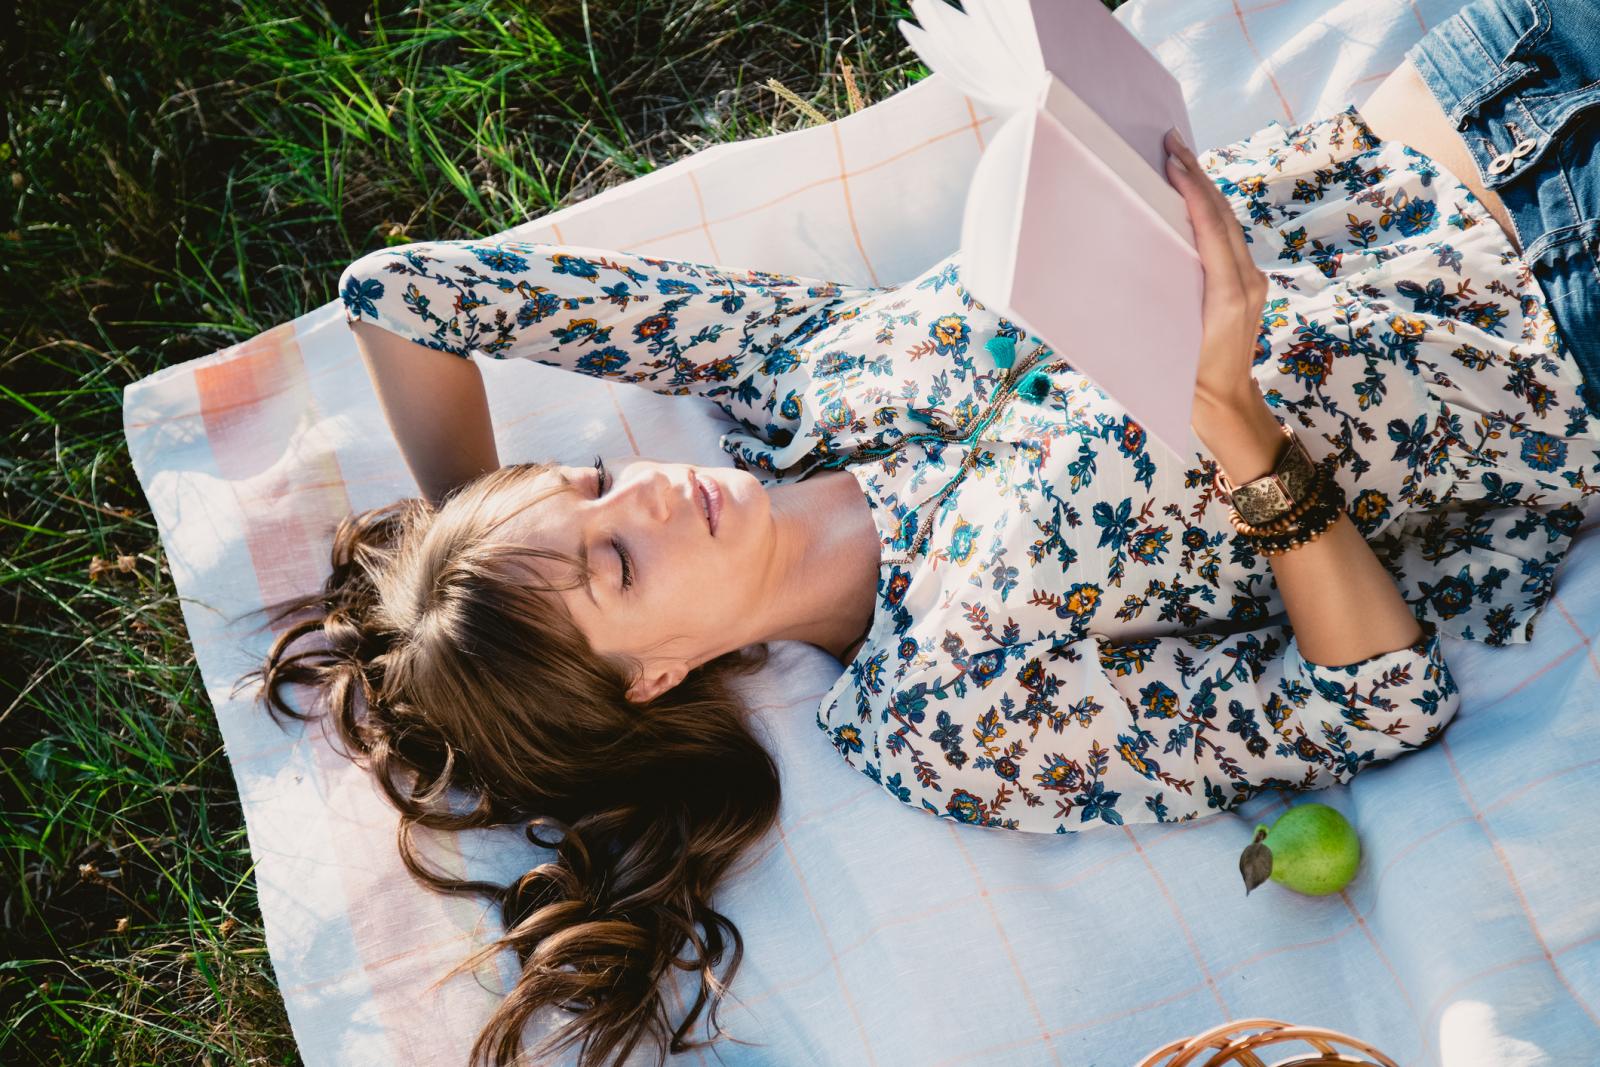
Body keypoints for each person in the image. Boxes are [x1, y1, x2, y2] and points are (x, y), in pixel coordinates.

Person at [256, 2, 1600, 1064]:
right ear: (652, 678)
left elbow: (399, 293)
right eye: (618, 564)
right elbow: (1376, 702)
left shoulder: (785, 385)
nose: (650, 498)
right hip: (1554, 340)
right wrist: (1235, 422)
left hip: (1478, 97)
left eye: (592, 487)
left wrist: (475, 562)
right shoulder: (953, 718)